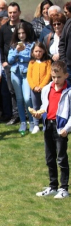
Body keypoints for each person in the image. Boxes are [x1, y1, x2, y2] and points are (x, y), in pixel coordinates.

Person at [33, 61, 70, 199]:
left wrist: (67, 128)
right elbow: (45, 105)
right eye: (53, 77)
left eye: (59, 77)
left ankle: (64, 188)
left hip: (60, 128)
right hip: (48, 125)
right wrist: (39, 113)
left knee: (61, 158)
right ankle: (53, 186)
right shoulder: (47, 88)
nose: (56, 80)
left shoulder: (69, 91)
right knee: (49, 157)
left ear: (66, 75)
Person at [0, 2, 35, 125]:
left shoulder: (28, 26)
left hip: (26, 68)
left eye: (14, 12)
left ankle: (30, 116)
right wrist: (4, 62)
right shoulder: (3, 29)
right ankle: (17, 116)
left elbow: (34, 46)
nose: (12, 15)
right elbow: (0, 46)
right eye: (10, 13)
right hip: (10, 66)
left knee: (27, 95)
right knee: (13, 92)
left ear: (19, 12)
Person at [7, 22, 36, 135]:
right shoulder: (14, 45)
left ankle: (32, 121)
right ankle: (23, 122)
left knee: (27, 98)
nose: (21, 35)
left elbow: (31, 57)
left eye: (23, 33)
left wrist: (19, 57)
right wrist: (17, 51)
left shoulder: (31, 44)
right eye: (19, 33)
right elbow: (9, 60)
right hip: (15, 73)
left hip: (26, 73)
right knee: (19, 99)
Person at [28, 42, 52, 134]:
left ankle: (46, 124)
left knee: (45, 106)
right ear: (33, 52)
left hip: (44, 89)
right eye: (36, 51)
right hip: (34, 89)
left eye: (40, 51)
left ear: (44, 51)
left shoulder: (48, 62)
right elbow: (29, 76)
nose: (38, 53)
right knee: (35, 106)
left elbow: (48, 75)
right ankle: (36, 125)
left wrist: (42, 86)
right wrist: (34, 87)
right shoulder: (32, 62)